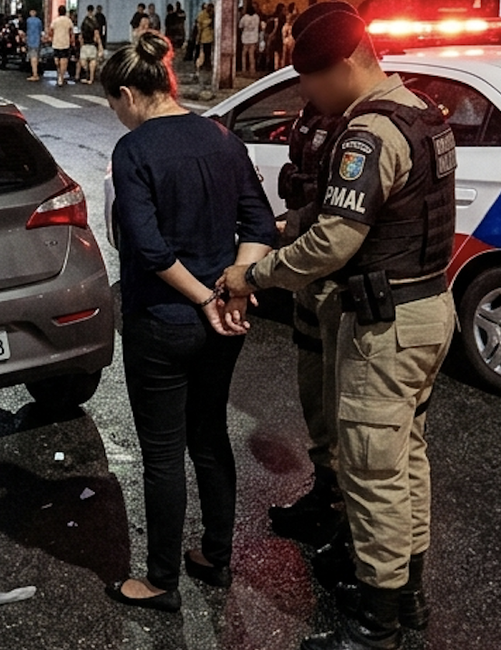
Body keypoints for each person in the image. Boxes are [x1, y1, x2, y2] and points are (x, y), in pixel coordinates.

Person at [218, 3, 457, 648]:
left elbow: (331, 245)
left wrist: (257, 274)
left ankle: (374, 629)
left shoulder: (368, 135)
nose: (309, 93)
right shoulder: (424, 114)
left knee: (372, 473)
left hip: (385, 328)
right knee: (405, 460)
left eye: (314, 78)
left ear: (350, 61)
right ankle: (406, 598)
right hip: (426, 313)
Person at [101, 31, 276, 613]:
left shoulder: (134, 151)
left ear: (128, 93)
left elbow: (148, 248)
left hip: (164, 320)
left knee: (162, 452)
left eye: (113, 105)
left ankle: (159, 580)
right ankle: (216, 558)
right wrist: (234, 289)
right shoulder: (222, 137)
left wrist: (206, 297)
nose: (118, 117)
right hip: (222, 324)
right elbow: (259, 227)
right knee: (209, 437)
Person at [268, 100, 352, 553]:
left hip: (339, 289)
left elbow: (340, 229)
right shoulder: (313, 111)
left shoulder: (362, 121)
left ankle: (346, 525)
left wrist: (261, 271)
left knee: (346, 415)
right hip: (309, 285)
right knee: (315, 397)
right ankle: (324, 497)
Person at [49, 5, 74, 87]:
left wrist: (51, 38)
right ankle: (61, 77)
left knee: (57, 60)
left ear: (58, 12)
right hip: (65, 43)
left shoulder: (55, 21)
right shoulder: (68, 21)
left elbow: (51, 31)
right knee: (64, 60)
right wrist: (72, 41)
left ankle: (59, 74)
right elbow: (71, 32)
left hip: (56, 42)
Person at [78, 5, 102, 84]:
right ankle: (91, 78)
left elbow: (81, 34)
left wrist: (81, 44)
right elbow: (97, 34)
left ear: (87, 10)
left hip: (85, 44)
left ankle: (87, 75)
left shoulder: (84, 21)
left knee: (83, 61)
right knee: (92, 61)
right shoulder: (95, 21)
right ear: (93, 10)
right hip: (92, 44)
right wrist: (100, 45)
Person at [238, 4, 261, 75]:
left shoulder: (244, 17)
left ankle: (244, 69)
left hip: (245, 38)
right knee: (251, 55)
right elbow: (258, 26)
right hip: (254, 38)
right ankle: (252, 69)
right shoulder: (256, 17)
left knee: (244, 54)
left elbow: (240, 26)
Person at [25, 8, 44, 81]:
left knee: (33, 57)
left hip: (31, 40)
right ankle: (36, 72)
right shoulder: (39, 21)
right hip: (37, 40)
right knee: (37, 57)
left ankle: (35, 74)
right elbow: (40, 29)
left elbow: (27, 30)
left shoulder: (28, 20)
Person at [194, 3, 214, 70]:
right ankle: (204, 64)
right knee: (205, 52)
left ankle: (205, 64)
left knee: (207, 52)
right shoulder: (204, 15)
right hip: (205, 37)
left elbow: (200, 26)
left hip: (207, 37)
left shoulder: (209, 15)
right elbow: (199, 27)